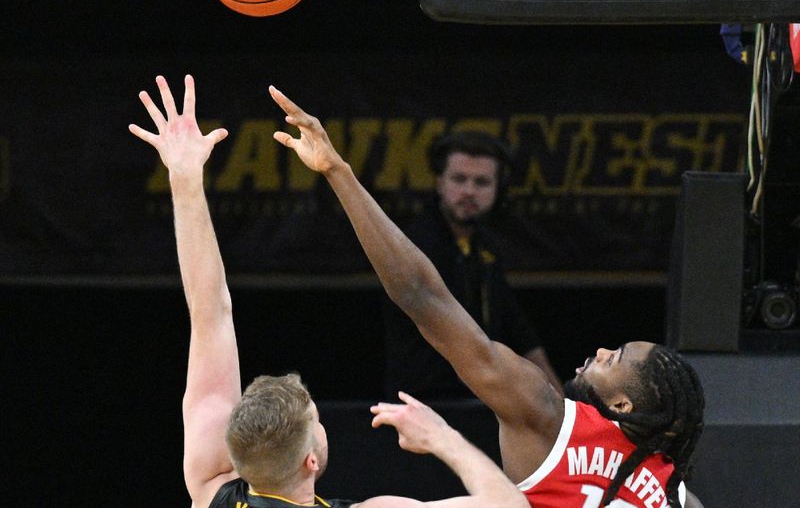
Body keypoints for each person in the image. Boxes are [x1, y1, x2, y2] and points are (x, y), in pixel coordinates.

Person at [270, 86, 706, 508]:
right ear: (439, 181)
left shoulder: (547, 416)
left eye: (616, 357)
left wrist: (337, 171)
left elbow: (422, 296)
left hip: (451, 412)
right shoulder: (679, 497)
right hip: (430, 397)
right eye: (459, 178)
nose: (601, 348)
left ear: (623, 406)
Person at [128, 75, 529, 508]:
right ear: (311, 462)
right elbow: (511, 504)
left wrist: (183, 178)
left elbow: (209, 312)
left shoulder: (210, 491)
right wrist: (443, 438)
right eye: (316, 419)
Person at [382, 130, 561, 399]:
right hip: (424, 402)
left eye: (481, 182)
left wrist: (563, 404)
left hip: (479, 400)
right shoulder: (415, 246)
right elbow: (453, 335)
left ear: (498, 188)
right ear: (439, 182)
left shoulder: (484, 245)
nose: (469, 191)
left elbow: (518, 329)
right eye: (459, 179)